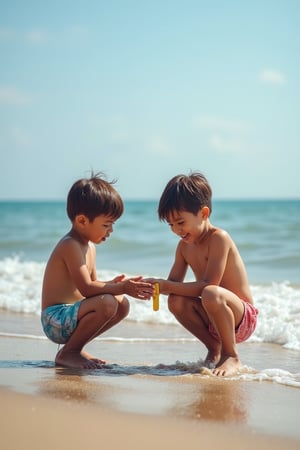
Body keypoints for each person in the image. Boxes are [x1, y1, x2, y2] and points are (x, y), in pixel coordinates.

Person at [146, 172, 258, 376]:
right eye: (171, 225)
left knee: (211, 292)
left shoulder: (219, 238)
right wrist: (152, 286)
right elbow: (172, 284)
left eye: (181, 222)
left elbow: (209, 283)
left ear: (204, 213)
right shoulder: (183, 247)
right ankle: (214, 350)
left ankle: (231, 355)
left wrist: (168, 285)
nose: (176, 230)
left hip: (241, 319)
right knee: (175, 300)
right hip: (213, 318)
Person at [41, 173, 153, 369]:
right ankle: (69, 353)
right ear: (82, 221)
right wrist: (121, 287)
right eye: (106, 225)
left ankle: (75, 347)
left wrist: (115, 285)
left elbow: (93, 287)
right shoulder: (70, 245)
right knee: (109, 302)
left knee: (121, 304)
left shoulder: (89, 247)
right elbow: (87, 289)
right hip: (55, 319)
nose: (110, 231)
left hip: (70, 316)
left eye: (112, 225)